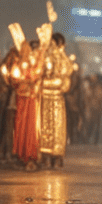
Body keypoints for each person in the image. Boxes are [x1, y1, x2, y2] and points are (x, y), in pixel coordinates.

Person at [36, 28, 73, 169]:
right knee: (45, 127)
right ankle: (46, 156)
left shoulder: (63, 58)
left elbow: (67, 73)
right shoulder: (44, 56)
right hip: (45, 95)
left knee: (57, 127)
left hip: (57, 96)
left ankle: (57, 156)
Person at [5, 25, 39, 170]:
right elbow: (13, 79)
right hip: (21, 98)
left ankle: (30, 155)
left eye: (27, 49)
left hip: (30, 99)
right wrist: (18, 78)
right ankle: (21, 154)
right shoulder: (17, 64)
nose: (26, 52)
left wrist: (30, 79)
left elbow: (36, 76)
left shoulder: (32, 64)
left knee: (30, 127)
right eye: (23, 49)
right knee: (20, 126)